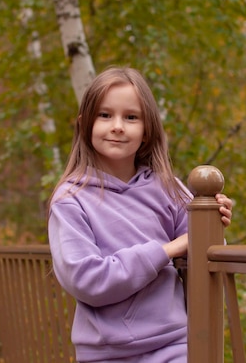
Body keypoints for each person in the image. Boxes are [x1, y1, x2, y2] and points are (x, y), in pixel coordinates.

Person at [48, 66, 233, 363]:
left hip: (175, 345)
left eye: (131, 117)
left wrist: (214, 218)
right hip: (106, 354)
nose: (118, 126)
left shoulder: (167, 188)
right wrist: (166, 250)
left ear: (147, 130)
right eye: (105, 115)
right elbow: (86, 280)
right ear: (84, 124)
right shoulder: (71, 200)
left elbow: (203, 250)